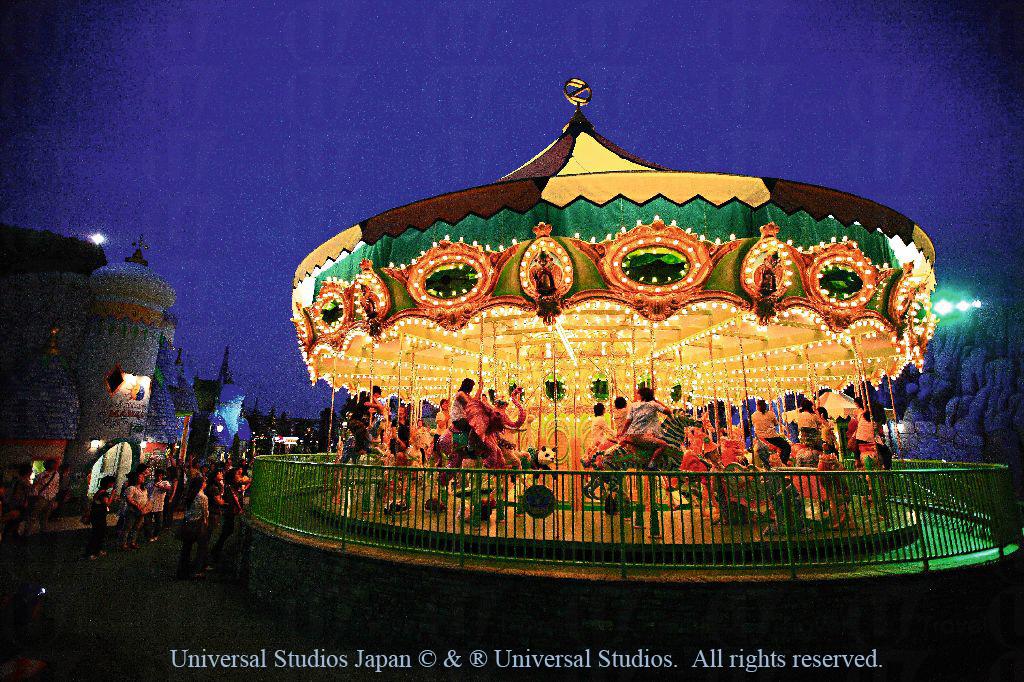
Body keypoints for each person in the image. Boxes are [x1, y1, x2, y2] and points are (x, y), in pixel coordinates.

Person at [616, 386, 673, 465]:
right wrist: (657, 401)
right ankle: (651, 465)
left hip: (631, 435)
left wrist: (623, 433)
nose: (637, 395)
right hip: (640, 436)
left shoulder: (633, 405)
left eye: (638, 394)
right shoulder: (653, 405)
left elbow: (628, 422)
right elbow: (669, 411)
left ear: (642, 395)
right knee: (663, 444)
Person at [176, 476, 209, 580]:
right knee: (202, 547)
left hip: (187, 523)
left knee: (186, 548)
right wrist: (206, 522)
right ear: (201, 484)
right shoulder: (202, 497)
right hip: (197, 524)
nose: (206, 484)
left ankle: (182, 570)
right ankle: (196, 571)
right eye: (204, 482)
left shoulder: (190, 494)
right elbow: (205, 512)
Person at [212, 467, 244, 562]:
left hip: (232, 515)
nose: (240, 476)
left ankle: (217, 551)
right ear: (232, 477)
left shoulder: (234, 487)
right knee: (226, 533)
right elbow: (228, 503)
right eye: (238, 474)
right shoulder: (229, 488)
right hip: (230, 515)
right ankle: (216, 553)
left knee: (227, 533)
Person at [84, 475, 116, 559]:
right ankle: (90, 553)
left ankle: (97, 550)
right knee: (97, 534)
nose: (113, 484)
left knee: (100, 533)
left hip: (98, 515)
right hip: (98, 516)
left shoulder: (100, 491)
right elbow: (107, 503)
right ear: (108, 483)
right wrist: (112, 495)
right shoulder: (103, 493)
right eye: (112, 483)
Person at [750, 399, 791, 465]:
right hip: (771, 437)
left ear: (757, 406)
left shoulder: (753, 415)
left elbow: (753, 425)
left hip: (760, 438)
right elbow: (776, 423)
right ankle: (783, 462)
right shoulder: (770, 414)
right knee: (787, 447)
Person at [27, 459, 61, 535]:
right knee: (34, 515)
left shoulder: (56, 474)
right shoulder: (41, 475)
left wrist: (54, 497)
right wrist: (37, 495)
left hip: (50, 498)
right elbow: (35, 487)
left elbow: (56, 486)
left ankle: (43, 529)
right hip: (41, 498)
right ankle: (28, 530)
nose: (57, 466)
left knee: (46, 515)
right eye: (55, 464)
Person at [1, 464, 32, 543]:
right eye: (30, 471)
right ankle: (13, 536)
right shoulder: (24, 482)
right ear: (28, 472)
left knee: (13, 521)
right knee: (15, 519)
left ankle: (9, 535)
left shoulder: (15, 480)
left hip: (13, 504)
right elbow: (20, 495)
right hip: (18, 505)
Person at [120, 469, 149, 550]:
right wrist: (137, 506)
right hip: (132, 511)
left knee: (137, 527)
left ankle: (132, 542)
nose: (143, 478)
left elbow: (146, 499)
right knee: (128, 528)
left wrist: (145, 507)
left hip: (141, 512)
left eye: (143, 477)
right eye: (140, 477)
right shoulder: (131, 488)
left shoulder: (144, 489)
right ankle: (123, 544)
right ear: (136, 478)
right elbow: (129, 499)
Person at [204, 469, 226, 568]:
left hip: (212, 512)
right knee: (207, 537)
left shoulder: (214, 486)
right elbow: (219, 501)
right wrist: (224, 501)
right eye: (219, 473)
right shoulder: (215, 488)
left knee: (207, 537)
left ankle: (203, 560)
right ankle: (203, 562)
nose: (221, 474)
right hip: (212, 513)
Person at [146, 469, 172, 540]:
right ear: (155, 475)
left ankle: (155, 535)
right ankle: (149, 536)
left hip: (159, 506)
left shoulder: (165, 482)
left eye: (160, 475)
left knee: (159, 523)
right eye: (157, 475)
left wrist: (159, 486)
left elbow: (168, 488)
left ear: (162, 476)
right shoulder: (150, 483)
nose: (158, 477)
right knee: (148, 523)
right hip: (149, 505)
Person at [795, 398, 822, 466]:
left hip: (803, 437)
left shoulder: (799, 415)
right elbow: (820, 422)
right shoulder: (813, 415)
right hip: (813, 437)